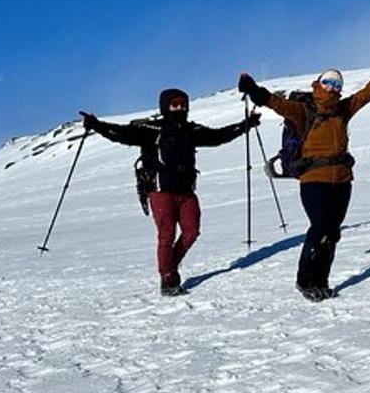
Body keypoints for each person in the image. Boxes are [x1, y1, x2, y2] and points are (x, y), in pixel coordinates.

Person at [239, 51, 370, 301]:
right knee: (320, 228)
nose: (333, 87)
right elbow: (275, 103)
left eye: (337, 84)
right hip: (313, 180)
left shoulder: (343, 109)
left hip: (342, 181)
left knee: (333, 232)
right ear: (319, 83)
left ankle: (321, 280)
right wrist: (252, 88)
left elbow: (368, 93)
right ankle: (305, 280)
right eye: (329, 82)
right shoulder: (304, 110)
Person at [79, 88, 257, 296]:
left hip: (186, 190)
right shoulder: (152, 129)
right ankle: (168, 280)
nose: (180, 108)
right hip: (160, 190)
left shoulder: (191, 130)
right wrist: (97, 125)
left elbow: (218, 136)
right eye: (175, 104)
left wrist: (245, 125)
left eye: (183, 104)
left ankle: (169, 267)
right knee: (167, 235)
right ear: (165, 107)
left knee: (191, 232)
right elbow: (122, 134)